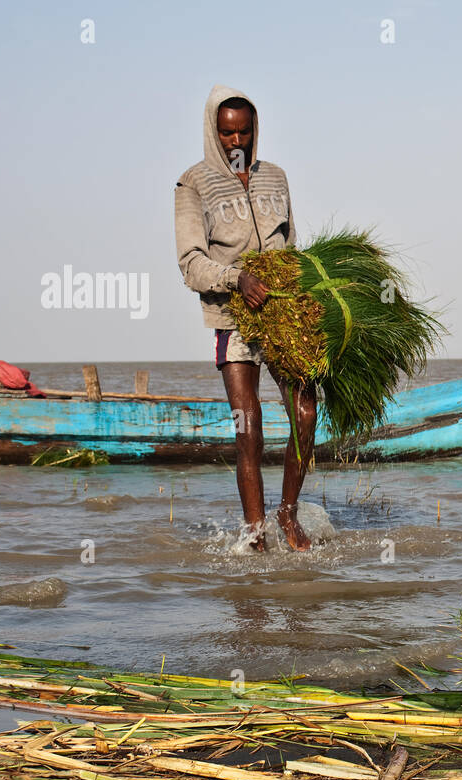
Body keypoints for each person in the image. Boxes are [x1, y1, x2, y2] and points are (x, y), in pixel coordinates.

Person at [174, 85, 315, 551]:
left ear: (255, 131)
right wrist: (238, 280)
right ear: (214, 133)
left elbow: (290, 245)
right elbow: (190, 263)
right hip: (231, 317)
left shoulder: (276, 177)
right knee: (247, 428)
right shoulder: (192, 184)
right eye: (227, 133)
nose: (236, 142)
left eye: (244, 132)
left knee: (305, 413)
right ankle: (257, 536)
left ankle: (288, 516)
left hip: (281, 316)